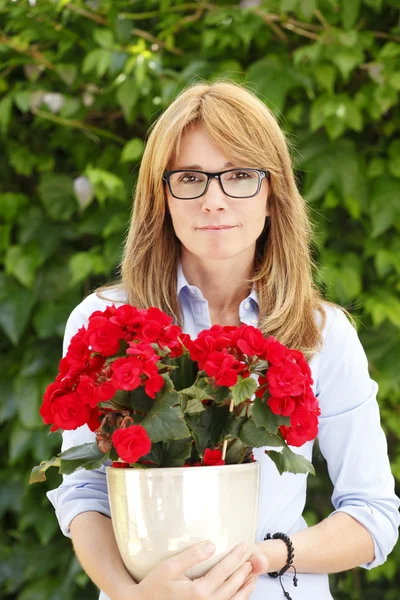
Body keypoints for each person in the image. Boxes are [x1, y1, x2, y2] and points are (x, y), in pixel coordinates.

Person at [47, 80, 400, 600]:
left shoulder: (323, 335)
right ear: (160, 197)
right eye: (190, 178)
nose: (214, 200)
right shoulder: (104, 322)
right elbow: (83, 492)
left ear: (272, 195)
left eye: (239, 175)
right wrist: (130, 595)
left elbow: (372, 516)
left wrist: (263, 557)